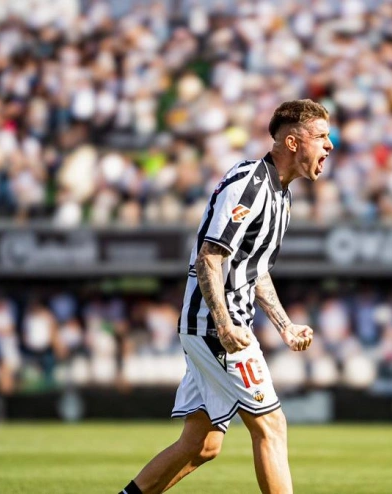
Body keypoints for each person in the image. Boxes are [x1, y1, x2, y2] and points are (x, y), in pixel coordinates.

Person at [118, 99, 332, 494]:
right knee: (271, 426)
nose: (329, 145)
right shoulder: (249, 183)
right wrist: (223, 322)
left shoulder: (282, 195)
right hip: (217, 326)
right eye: (320, 136)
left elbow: (255, 269)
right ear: (291, 142)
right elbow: (209, 257)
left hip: (219, 323)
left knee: (202, 445)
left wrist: (284, 325)